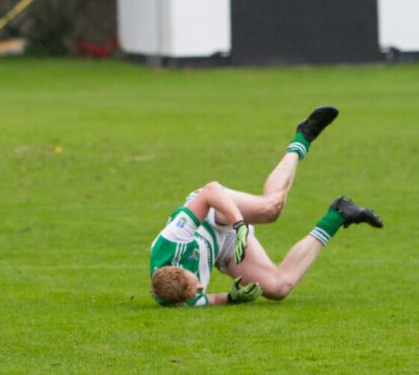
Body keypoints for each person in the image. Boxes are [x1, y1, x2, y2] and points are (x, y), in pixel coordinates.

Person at [149, 106, 383, 307]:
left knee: (270, 209)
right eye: (194, 289)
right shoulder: (177, 299)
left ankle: (302, 138)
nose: (200, 285)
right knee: (278, 288)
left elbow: (211, 191)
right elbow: (208, 299)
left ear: (179, 269)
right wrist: (233, 297)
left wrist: (239, 224)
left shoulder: (173, 240)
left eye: (193, 282)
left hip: (211, 213)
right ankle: (339, 214)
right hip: (221, 248)